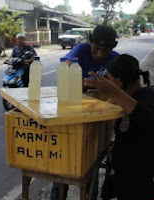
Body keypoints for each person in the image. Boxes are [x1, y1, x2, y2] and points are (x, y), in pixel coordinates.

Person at [83, 54, 154, 200]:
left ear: (119, 81)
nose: (109, 82)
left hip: (149, 186)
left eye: (110, 79)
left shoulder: (147, 97)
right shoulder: (127, 98)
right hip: (131, 181)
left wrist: (114, 91)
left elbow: (148, 119)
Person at [50, 25, 120, 200]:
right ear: (90, 43)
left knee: (91, 166)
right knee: (64, 163)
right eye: (96, 48)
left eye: (105, 50)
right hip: (72, 114)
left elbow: (121, 89)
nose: (99, 54)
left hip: (98, 118)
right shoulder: (81, 50)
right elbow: (64, 71)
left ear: (112, 49)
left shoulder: (115, 60)